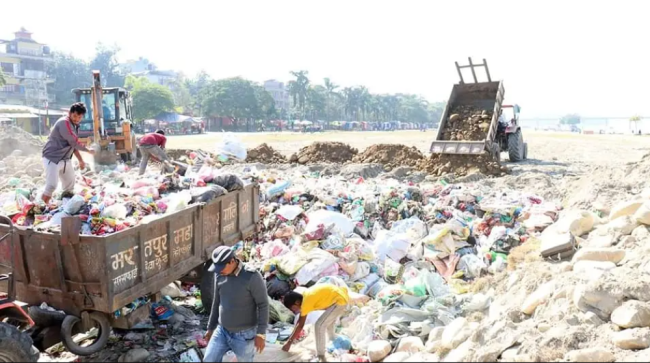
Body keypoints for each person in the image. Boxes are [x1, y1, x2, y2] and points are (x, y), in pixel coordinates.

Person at [203, 246, 269, 362]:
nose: (219, 271)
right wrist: (210, 327)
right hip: (222, 330)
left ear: (232, 261)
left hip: (244, 335)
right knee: (209, 359)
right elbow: (216, 301)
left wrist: (261, 333)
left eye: (221, 268)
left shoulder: (251, 276)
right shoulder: (219, 274)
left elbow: (263, 304)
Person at [41, 102, 95, 204]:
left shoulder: (74, 125)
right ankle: (42, 208)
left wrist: (81, 160)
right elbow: (74, 142)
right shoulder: (64, 123)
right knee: (52, 185)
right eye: (74, 116)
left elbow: (72, 146)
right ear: (70, 113)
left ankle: (66, 207)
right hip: (52, 158)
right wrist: (88, 150)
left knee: (69, 185)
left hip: (65, 159)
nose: (76, 119)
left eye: (79, 117)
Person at [282, 284, 350, 362]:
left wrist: (289, 342)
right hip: (340, 297)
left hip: (339, 301)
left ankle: (321, 356)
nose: (294, 311)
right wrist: (290, 339)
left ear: (297, 302)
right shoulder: (305, 297)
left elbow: (300, 325)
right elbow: (299, 323)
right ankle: (333, 340)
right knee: (328, 323)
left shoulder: (306, 302)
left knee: (319, 325)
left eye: (293, 308)